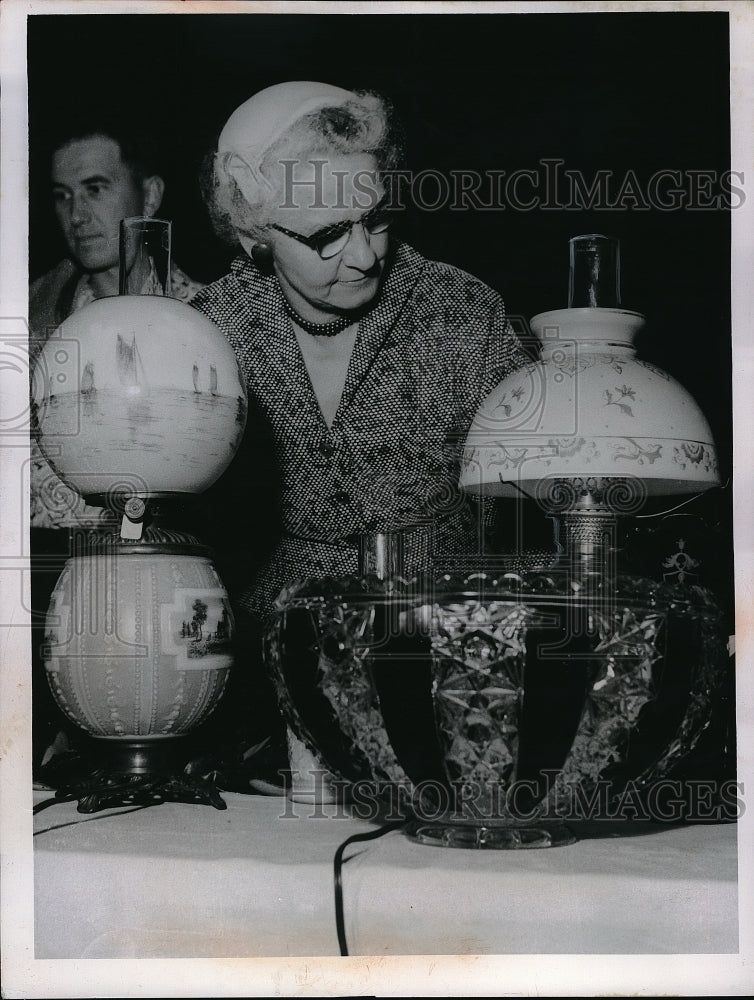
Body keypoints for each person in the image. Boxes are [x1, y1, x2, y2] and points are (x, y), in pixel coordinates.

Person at [190, 81, 533, 789]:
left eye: (374, 218)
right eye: (324, 236)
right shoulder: (208, 333)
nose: (365, 255)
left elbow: (539, 511)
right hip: (256, 695)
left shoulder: (460, 310)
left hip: (453, 674)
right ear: (254, 234)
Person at [29, 120, 204, 529]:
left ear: (150, 195)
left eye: (95, 188)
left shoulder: (211, 318)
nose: (76, 215)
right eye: (62, 196)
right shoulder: (33, 324)